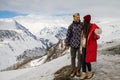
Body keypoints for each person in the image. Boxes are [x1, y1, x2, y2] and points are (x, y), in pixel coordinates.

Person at [80, 14, 102, 79]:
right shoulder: (83, 27)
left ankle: (89, 72)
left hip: (89, 47)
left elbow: (100, 31)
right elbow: (82, 37)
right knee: (82, 60)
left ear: (86, 21)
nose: (83, 21)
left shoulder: (92, 26)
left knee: (87, 60)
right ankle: (84, 73)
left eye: (84, 20)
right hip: (83, 46)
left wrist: (96, 31)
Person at [65, 13, 82, 77]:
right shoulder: (71, 26)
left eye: (78, 17)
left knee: (79, 58)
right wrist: (67, 43)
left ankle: (78, 70)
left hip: (80, 44)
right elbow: (68, 35)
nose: (78, 18)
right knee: (73, 57)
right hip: (73, 44)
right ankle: (73, 70)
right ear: (74, 18)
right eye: (77, 17)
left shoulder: (82, 24)